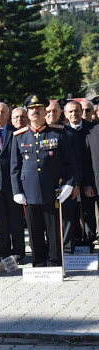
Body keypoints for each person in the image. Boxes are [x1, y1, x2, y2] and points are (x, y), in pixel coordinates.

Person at [10, 94, 75, 267]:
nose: (35, 112)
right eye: (31, 109)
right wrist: (17, 191)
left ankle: (55, 263)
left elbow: (69, 163)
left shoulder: (58, 133)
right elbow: (14, 167)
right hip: (29, 191)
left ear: (45, 110)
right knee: (34, 229)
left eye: (38, 109)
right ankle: (38, 262)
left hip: (53, 189)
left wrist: (69, 183)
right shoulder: (19, 136)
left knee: (53, 229)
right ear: (27, 112)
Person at [0, 102, 26, 265]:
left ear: (8, 115)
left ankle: (19, 252)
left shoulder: (16, 133)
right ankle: (4, 254)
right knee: (0, 222)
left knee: (16, 220)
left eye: (3, 112)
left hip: (13, 185)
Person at [62, 100, 96, 253]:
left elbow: (91, 160)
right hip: (70, 181)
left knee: (88, 212)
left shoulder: (93, 129)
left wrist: (88, 183)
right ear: (65, 114)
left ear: (82, 111)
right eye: (70, 111)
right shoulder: (62, 131)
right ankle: (74, 241)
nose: (74, 114)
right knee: (72, 212)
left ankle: (90, 240)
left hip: (89, 179)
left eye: (77, 111)